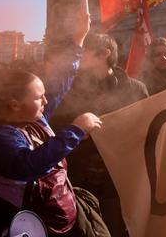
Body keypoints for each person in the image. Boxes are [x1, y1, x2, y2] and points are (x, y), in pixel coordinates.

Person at [0, 13, 107, 236]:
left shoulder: (35, 119)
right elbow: (28, 165)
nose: (46, 102)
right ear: (14, 105)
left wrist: (79, 40)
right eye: (39, 97)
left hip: (67, 222)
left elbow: (61, 83)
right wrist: (74, 131)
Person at [51, 33, 148, 237]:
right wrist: (76, 129)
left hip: (118, 180)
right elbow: (55, 125)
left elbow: (145, 131)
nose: (78, 56)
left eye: (84, 51)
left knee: (116, 228)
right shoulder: (72, 89)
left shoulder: (135, 89)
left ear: (104, 53)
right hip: (81, 179)